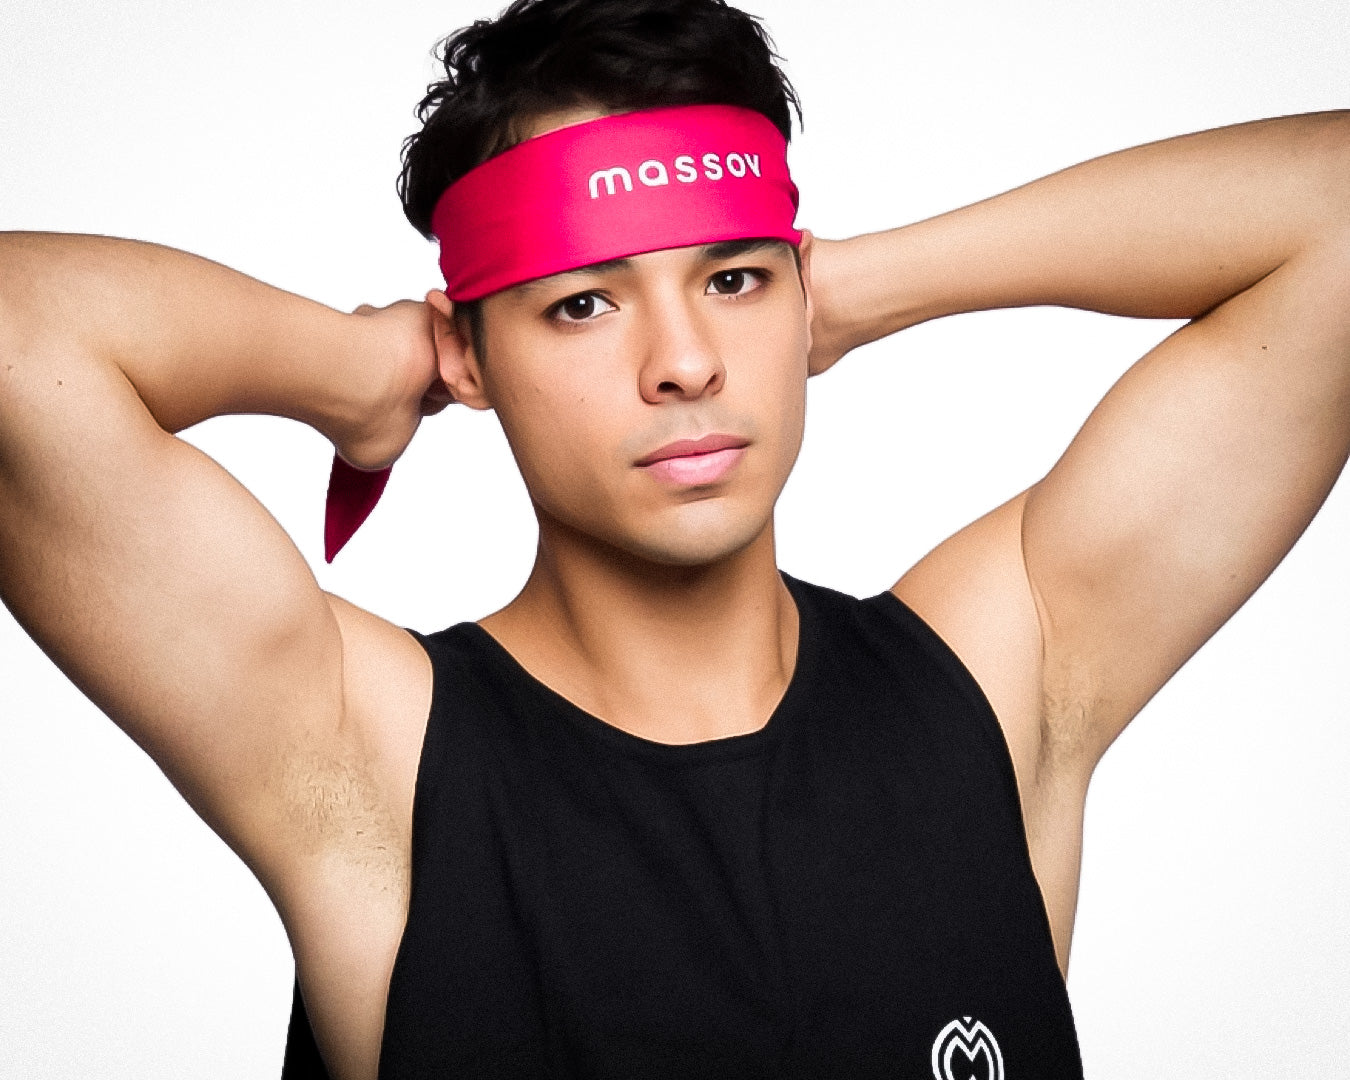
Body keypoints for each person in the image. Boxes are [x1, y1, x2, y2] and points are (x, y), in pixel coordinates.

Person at [2, 0, 1347, 1077]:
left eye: (731, 281)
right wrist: (347, 370)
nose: (686, 361)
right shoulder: (366, 756)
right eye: (584, 303)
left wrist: (859, 285)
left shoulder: (1000, 679)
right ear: (470, 353)